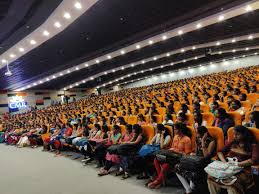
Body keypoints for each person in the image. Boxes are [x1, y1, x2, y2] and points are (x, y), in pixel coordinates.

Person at [207, 126, 259, 194]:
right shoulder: (233, 142)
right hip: (229, 166)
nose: (234, 136)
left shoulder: (253, 145)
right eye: (234, 134)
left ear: (244, 134)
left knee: (232, 184)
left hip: (243, 169)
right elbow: (220, 152)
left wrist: (236, 164)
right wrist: (224, 162)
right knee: (211, 177)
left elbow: (253, 160)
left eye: (237, 134)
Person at [148, 123, 192, 189]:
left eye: (175, 129)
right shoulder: (175, 137)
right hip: (171, 156)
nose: (174, 130)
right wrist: (171, 149)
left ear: (180, 130)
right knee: (156, 159)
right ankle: (162, 180)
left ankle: (157, 181)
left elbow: (187, 154)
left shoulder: (187, 139)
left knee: (165, 166)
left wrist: (176, 151)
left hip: (178, 158)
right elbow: (172, 148)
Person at [176, 126, 217, 194]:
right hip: (196, 160)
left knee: (193, 170)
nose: (196, 134)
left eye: (198, 133)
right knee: (177, 167)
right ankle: (188, 189)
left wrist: (203, 141)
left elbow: (206, 156)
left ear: (204, 133)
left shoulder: (211, 141)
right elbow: (196, 152)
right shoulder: (197, 139)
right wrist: (193, 154)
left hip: (205, 161)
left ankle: (191, 189)